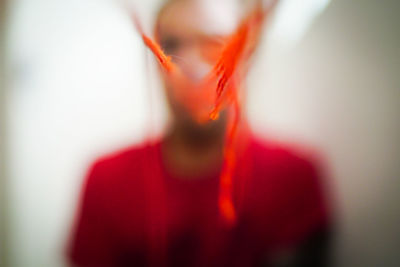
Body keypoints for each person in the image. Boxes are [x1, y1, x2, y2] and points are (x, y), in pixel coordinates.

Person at [67, 0, 333, 266]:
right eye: (170, 45)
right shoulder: (105, 180)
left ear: (248, 56)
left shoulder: (293, 176)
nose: (192, 65)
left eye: (215, 44)